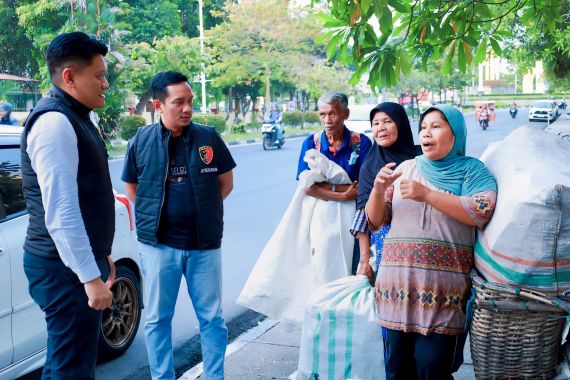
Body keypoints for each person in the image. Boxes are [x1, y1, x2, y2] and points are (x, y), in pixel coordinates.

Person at [366, 104, 497, 379]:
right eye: (423, 127)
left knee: (432, 369)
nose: (426, 133)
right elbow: (377, 220)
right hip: (395, 291)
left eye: (436, 126)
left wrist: (426, 194)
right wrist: (378, 190)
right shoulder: (405, 168)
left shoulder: (471, 171)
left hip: (443, 296)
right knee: (397, 371)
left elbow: (481, 210)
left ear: (456, 133)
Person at [122, 71, 236, 380]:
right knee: (158, 319)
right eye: (178, 103)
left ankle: (215, 376)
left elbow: (225, 183)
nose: (186, 109)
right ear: (159, 105)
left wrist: (202, 210)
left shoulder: (208, 137)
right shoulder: (141, 141)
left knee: (212, 319)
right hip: (158, 246)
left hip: (204, 246)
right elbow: (131, 187)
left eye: (190, 102)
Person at [20, 32, 115, 379]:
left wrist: (101, 256)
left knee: (69, 362)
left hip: (75, 265)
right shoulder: (54, 123)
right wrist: (90, 277)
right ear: (69, 77)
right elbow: (61, 213)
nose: (105, 83)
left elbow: (88, 194)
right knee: (70, 369)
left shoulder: (79, 116)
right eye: (99, 75)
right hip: (62, 271)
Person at [297, 90, 372, 272]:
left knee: (351, 268)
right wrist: (342, 194)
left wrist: (324, 188)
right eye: (323, 114)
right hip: (321, 220)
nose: (327, 120)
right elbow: (306, 187)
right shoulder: (311, 143)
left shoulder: (361, 143)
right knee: (322, 267)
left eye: (333, 113)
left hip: (354, 220)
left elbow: (364, 186)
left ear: (345, 114)